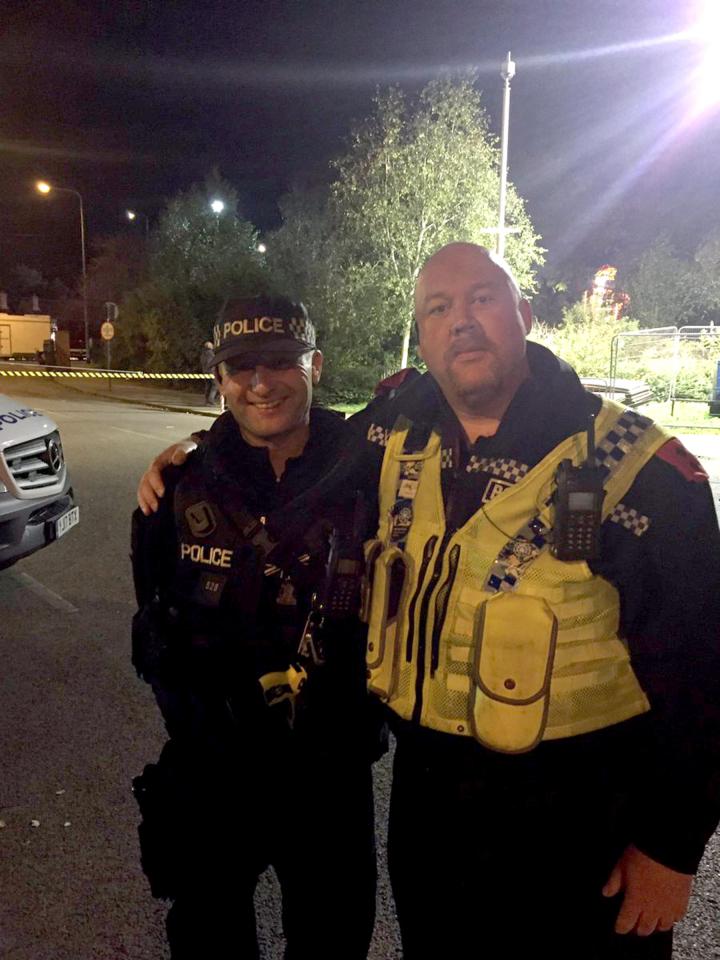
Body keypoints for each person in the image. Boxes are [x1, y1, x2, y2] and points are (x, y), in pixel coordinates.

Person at [138, 245, 720, 960]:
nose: (461, 323)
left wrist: (672, 847)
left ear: (524, 315)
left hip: (580, 815)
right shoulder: (393, 434)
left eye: (481, 299)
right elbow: (284, 443)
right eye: (438, 310)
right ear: (423, 336)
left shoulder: (645, 472)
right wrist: (193, 454)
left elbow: (704, 668)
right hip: (432, 807)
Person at [131, 295, 381, 960]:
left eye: (280, 362)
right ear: (218, 378)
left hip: (328, 771)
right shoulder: (181, 484)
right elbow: (155, 621)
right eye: (240, 368)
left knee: (333, 940)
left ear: (316, 366)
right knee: (208, 938)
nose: (259, 382)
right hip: (215, 767)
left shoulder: (375, 467)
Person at [200, 339, 219, 405]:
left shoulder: (203, 354)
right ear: (209, 346)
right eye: (211, 345)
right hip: (211, 372)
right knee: (215, 386)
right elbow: (210, 362)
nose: (213, 345)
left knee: (208, 386)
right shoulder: (210, 353)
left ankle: (206, 400)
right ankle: (211, 400)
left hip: (205, 372)